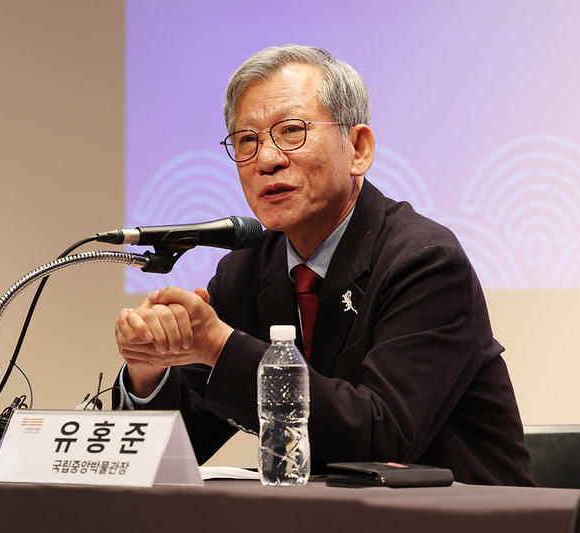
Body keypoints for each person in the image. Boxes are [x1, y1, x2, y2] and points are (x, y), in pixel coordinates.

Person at [113, 45, 534, 485]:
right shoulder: (245, 272)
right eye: (247, 140)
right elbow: (182, 445)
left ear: (358, 148)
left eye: (291, 131)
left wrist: (219, 346)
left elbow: (381, 437)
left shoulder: (424, 262)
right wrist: (149, 368)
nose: (267, 159)